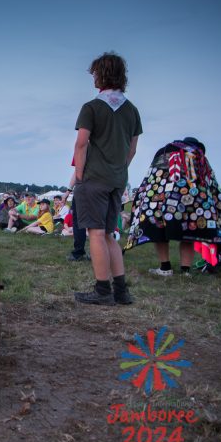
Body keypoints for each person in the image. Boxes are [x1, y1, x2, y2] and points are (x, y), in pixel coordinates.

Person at [73, 52, 142, 306]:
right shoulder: (132, 110)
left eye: (94, 73)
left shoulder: (92, 107)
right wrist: (118, 170)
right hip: (117, 179)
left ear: (101, 74)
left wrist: (80, 177)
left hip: (93, 178)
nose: (92, 77)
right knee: (111, 234)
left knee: (96, 233)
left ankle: (102, 290)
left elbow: (81, 144)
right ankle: (121, 290)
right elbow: (132, 150)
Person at [124, 137, 221, 276]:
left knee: (159, 229)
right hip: (195, 202)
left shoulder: (165, 152)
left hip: (162, 198)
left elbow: (151, 179)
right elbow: (211, 184)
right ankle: (185, 271)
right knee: (188, 231)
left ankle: (165, 268)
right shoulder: (200, 156)